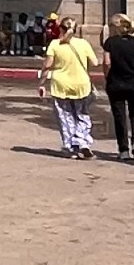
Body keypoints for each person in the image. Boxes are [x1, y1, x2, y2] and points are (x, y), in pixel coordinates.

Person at [39, 16, 97, 159]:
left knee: (65, 117)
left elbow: (47, 66)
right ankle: (83, 142)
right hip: (81, 84)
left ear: (61, 28)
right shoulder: (83, 43)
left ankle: (70, 146)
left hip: (61, 85)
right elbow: (95, 62)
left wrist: (41, 84)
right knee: (82, 115)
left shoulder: (55, 44)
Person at [100, 14, 134, 162]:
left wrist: (107, 77)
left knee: (119, 115)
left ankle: (123, 149)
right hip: (133, 83)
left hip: (116, 83)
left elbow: (107, 63)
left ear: (115, 27)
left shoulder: (110, 43)